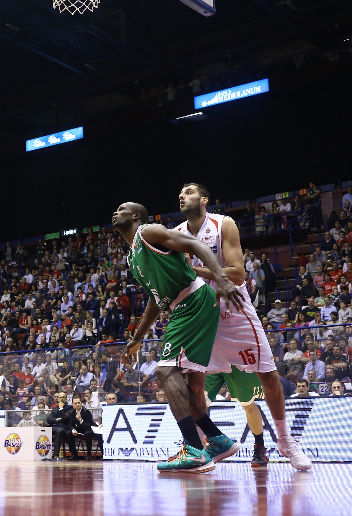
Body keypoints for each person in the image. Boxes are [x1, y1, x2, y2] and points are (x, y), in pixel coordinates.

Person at [176, 183, 311, 471]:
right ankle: (200, 448)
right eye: (181, 192)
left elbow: (237, 274)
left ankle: (286, 443)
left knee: (269, 376)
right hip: (200, 315)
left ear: (204, 199)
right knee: (193, 385)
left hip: (233, 311)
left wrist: (192, 270)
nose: (182, 195)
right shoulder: (176, 235)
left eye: (188, 191)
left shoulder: (224, 224)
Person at [114, 201, 240, 473]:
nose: (116, 211)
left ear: (136, 216)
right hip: (183, 305)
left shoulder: (148, 232)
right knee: (184, 384)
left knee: (165, 371)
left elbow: (199, 246)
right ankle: (217, 440)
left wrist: (221, 277)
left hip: (192, 301)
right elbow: (156, 298)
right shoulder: (132, 255)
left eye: (122, 208)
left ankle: (195, 451)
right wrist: (138, 337)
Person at [68, 396, 96, 461]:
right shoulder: (72, 413)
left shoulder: (86, 412)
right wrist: (73, 430)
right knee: (69, 433)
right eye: (75, 403)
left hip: (87, 429)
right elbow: (71, 425)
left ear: (81, 403)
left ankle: (89, 454)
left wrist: (80, 419)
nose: (77, 404)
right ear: (73, 405)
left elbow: (89, 426)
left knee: (88, 433)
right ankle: (74, 454)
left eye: (78, 403)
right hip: (78, 429)